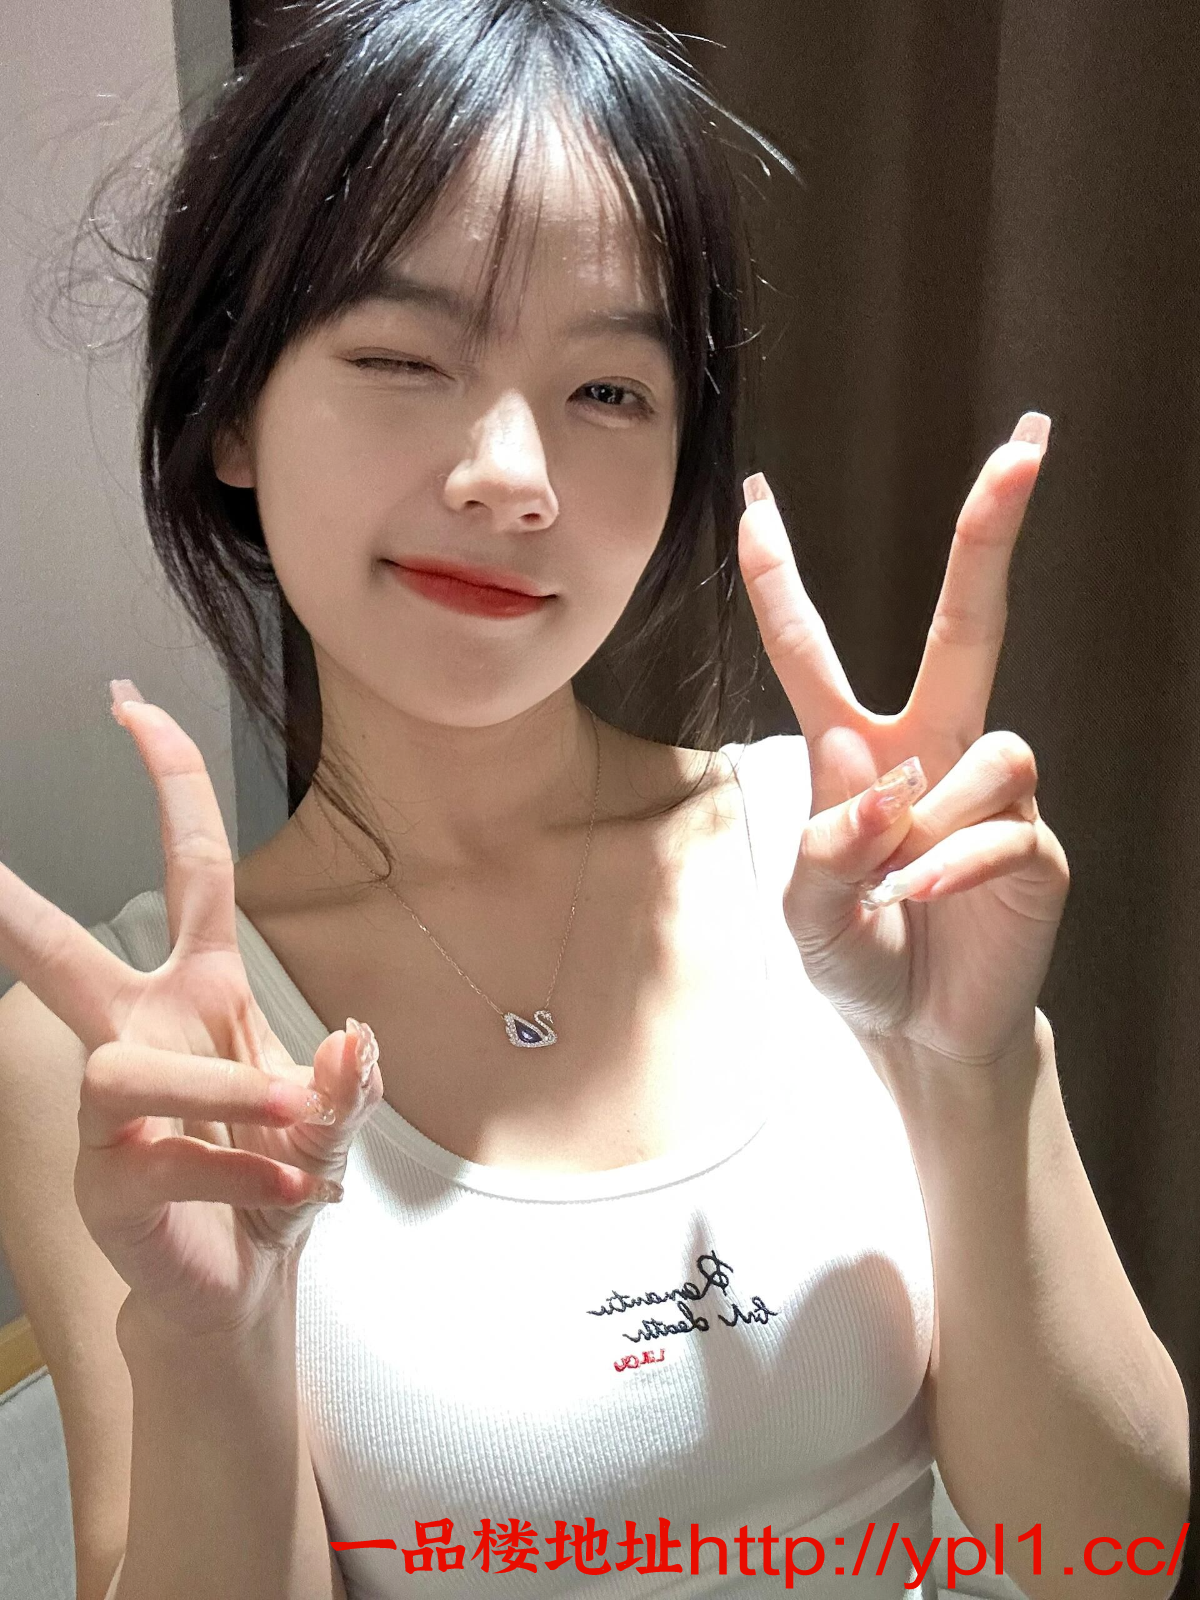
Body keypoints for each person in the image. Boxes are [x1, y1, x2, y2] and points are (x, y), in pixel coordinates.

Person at [0, 2, 1188, 1599]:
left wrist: (974, 1065)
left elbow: (1115, 1559)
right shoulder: (112, 1053)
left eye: (610, 391)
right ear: (229, 409)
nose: (513, 474)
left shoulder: (855, 875)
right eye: (403, 357)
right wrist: (213, 1349)